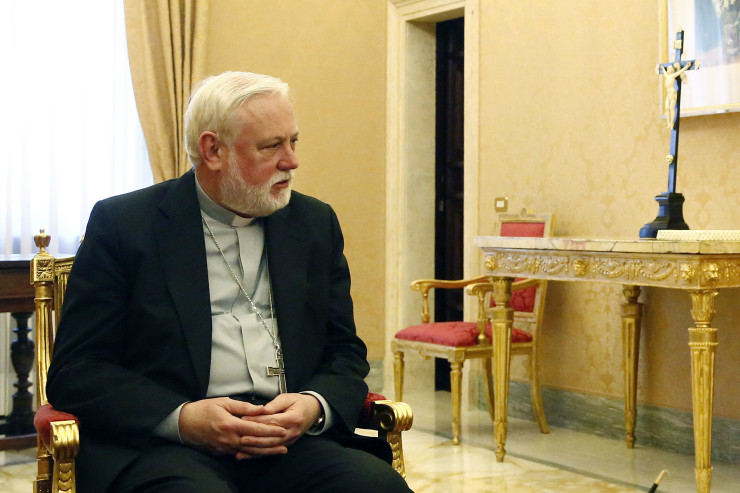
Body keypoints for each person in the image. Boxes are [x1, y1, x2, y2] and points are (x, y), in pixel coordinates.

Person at [46, 71, 413, 493]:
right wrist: (183, 419)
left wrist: (313, 405)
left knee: (376, 487)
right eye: (272, 146)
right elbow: (77, 370)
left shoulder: (314, 224)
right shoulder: (126, 225)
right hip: (168, 447)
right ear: (213, 150)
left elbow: (344, 351)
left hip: (290, 444)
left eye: (293, 142)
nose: (291, 161)